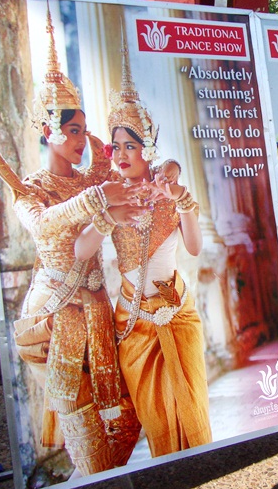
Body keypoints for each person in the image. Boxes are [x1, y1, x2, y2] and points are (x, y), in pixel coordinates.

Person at [0, 9, 142, 476]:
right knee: (88, 438)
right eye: (71, 130)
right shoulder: (31, 189)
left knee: (126, 424)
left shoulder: (90, 175)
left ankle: (94, 484)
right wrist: (95, 201)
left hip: (97, 312)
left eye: (81, 129)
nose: (80, 139)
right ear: (47, 130)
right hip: (57, 318)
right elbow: (43, 228)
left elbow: (120, 165)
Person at [74, 42, 211, 458]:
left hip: (176, 310)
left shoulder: (167, 192)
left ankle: (201, 471)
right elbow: (82, 250)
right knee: (155, 416)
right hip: (132, 322)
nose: (120, 156)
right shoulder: (109, 195)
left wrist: (183, 200)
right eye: (115, 148)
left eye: (129, 146)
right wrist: (109, 217)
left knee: (190, 411)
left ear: (146, 146)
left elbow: (193, 247)